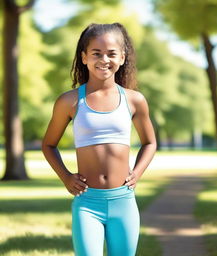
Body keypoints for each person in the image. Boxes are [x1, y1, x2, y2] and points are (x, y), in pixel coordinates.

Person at [42, 22, 156, 256]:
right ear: (84, 57)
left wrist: (137, 172)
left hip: (123, 200)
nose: (104, 59)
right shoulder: (69, 101)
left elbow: (150, 142)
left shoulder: (134, 100)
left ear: (122, 58)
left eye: (112, 53)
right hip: (87, 203)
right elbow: (48, 144)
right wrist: (66, 177)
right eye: (96, 53)